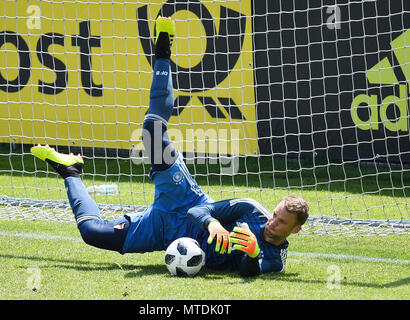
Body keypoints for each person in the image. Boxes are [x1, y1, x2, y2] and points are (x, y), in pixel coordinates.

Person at [31, 17, 309, 277]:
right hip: (182, 198)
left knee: (91, 233)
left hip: (162, 231)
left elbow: (250, 271)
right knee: (152, 133)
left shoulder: (276, 256)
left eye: (281, 222)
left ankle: (71, 171)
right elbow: (199, 211)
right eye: (275, 215)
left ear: (295, 230)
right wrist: (213, 224)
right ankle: (163, 52)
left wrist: (252, 252)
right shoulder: (249, 210)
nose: (272, 222)